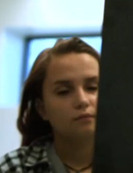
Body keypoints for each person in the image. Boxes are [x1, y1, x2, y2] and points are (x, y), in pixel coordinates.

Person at [0, 38, 100, 173]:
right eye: (64, 91)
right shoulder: (15, 168)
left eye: (92, 87)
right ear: (42, 109)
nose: (82, 100)